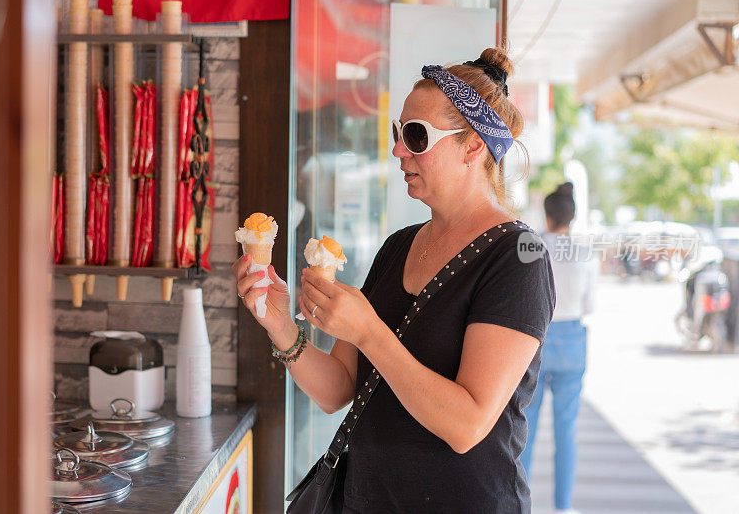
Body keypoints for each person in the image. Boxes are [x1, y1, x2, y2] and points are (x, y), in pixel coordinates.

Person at [232, 48, 555, 513]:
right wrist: (281, 325)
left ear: (473, 146)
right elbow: (338, 388)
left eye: (417, 136)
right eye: (398, 132)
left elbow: (467, 425)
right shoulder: (399, 246)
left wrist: (367, 329)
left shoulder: (518, 259)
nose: (398, 150)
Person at [522, 182, 597, 514]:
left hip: (534, 340)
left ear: (546, 214)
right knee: (567, 430)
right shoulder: (583, 250)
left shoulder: (529, 244)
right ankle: (563, 507)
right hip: (572, 341)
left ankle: (519, 503)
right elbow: (590, 304)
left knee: (524, 429)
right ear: (573, 216)